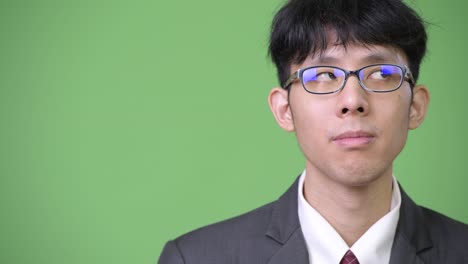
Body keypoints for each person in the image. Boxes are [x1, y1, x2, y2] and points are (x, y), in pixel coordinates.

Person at [159, 0, 468, 263]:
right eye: (323, 75)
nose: (352, 101)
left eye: (380, 73)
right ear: (284, 110)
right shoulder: (196, 258)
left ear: (416, 106)